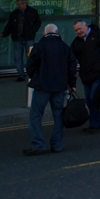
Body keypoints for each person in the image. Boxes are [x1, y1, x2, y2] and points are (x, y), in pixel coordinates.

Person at [24, 24, 77, 155]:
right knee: (58, 115)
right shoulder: (65, 47)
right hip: (60, 86)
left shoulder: (39, 46)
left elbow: (30, 66)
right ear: (57, 32)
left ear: (44, 33)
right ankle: (57, 145)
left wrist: (34, 77)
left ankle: (38, 144)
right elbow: (72, 66)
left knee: (36, 115)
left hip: (42, 85)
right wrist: (72, 84)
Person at [70, 20, 100, 134]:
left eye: (80, 29)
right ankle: (95, 123)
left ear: (86, 26)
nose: (79, 32)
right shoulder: (77, 42)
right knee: (90, 100)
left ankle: (94, 124)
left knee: (92, 98)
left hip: (99, 73)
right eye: (76, 30)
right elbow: (71, 57)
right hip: (86, 75)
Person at [0, 0, 41, 81]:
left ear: (24, 4)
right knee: (18, 57)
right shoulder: (15, 13)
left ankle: (31, 74)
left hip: (28, 37)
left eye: (20, 4)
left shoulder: (32, 12)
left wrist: (32, 31)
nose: (18, 6)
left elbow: (38, 23)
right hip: (18, 38)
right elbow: (9, 25)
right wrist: (4, 33)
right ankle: (21, 74)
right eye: (18, 4)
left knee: (30, 57)